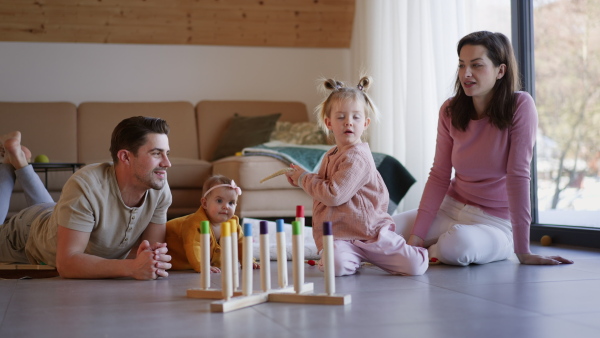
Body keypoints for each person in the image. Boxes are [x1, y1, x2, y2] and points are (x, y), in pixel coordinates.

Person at [393, 31, 573, 266]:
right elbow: (439, 175)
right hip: (449, 209)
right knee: (384, 228)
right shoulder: (450, 110)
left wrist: (523, 250)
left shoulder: (520, 106)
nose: (466, 74)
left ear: (500, 71)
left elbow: (518, 176)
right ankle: (421, 250)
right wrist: (415, 237)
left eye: (476, 65)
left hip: (493, 223)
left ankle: (428, 251)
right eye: (461, 65)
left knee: (457, 246)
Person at [285, 76, 429, 277]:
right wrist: (301, 179)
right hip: (340, 236)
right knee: (335, 266)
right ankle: (352, 258)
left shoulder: (357, 157)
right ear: (329, 123)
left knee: (415, 266)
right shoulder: (331, 154)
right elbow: (321, 188)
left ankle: (416, 241)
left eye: (356, 117)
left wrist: (304, 179)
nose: (348, 123)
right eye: (341, 117)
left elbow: (333, 195)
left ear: (366, 123)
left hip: (372, 234)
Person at [0, 116, 173, 280]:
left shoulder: (158, 186)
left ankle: (17, 158)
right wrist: (131, 267)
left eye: (166, 153)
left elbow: (150, 253)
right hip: (27, 233)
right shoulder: (86, 186)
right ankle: (7, 164)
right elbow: (67, 263)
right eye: (157, 153)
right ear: (125, 157)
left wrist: (150, 259)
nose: (167, 163)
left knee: (50, 208)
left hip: (58, 215)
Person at [165, 174, 259, 273]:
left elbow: (241, 243)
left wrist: (247, 261)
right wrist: (202, 265)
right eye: (219, 201)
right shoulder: (194, 223)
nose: (226, 206)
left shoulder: (233, 224)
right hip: (176, 258)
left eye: (231, 203)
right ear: (205, 203)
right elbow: (193, 245)